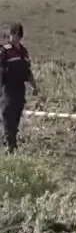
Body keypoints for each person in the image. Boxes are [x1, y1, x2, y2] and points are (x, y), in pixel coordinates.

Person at [0, 24, 37, 153]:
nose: (15, 37)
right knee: (7, 114)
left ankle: (12, 142)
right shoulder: (4, 50)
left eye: (17, 35)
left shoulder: (23, 52)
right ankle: (8, 143)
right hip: (8, 88)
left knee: (15, 116)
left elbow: (28, 71)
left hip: (20, 89)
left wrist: (34, 86)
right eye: (14, 34)